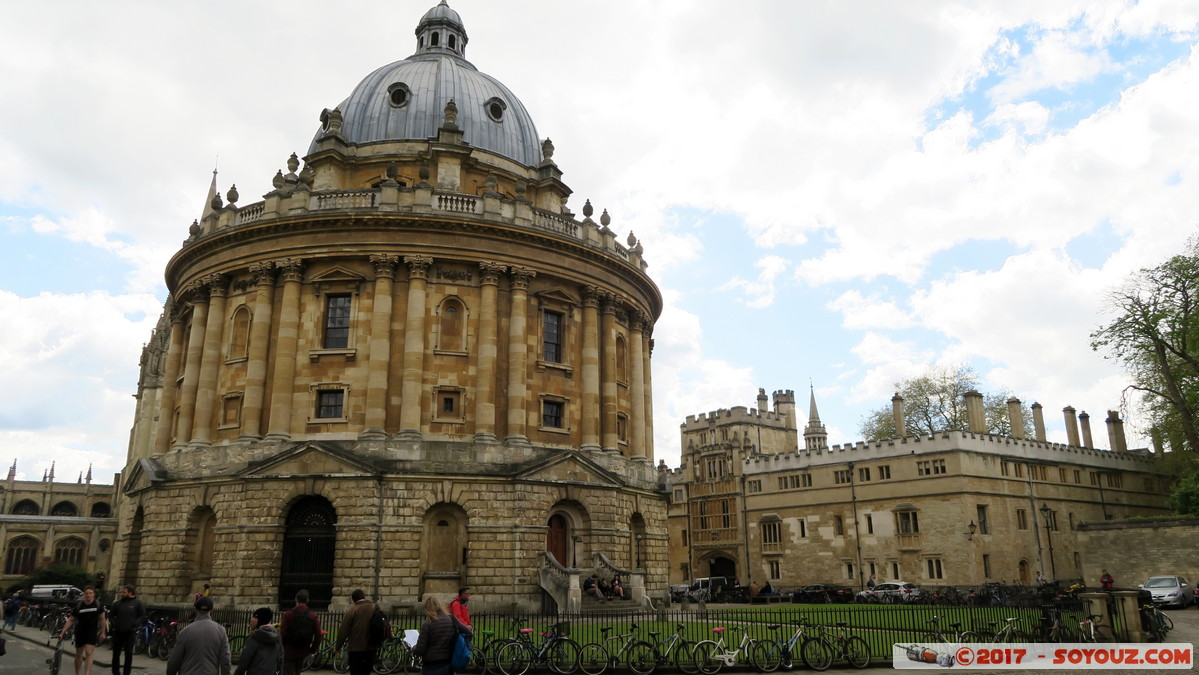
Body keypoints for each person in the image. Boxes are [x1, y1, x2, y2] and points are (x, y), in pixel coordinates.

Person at [167, 595, 231, 675]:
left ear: (195, 609)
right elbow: (225, 660)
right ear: (211, 610)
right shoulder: (221, 631)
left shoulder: (185, 632)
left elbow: (174, 660)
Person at [413, 596, 472, 675]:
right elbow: (468, 632)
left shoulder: (428, 624)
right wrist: (459, 644)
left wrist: (413, 648)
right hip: (448, 665)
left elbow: (420, 650)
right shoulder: (452, 619)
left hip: (431, 666)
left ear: (427, 609)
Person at [60, 586, 105, 675]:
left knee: (89, 652)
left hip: (91, 632)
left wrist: (103, 633)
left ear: (94, 594)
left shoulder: (98, 605)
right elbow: (71, 620)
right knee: (79, 653)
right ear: (84, 595)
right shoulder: (79, 605)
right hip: (80, 631)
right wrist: (63, 631)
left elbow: (102, 619)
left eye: (90, 593)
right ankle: (77, 673)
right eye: (86, 593)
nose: (88, 595)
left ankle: (86, 673)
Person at [335, 589, 378, 675]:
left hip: (356, 648)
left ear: (354, 599)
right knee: (366, 671)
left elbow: (343, 631)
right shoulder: (375, 607)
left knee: (356, 671)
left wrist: (338, 647)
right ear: (364, 597)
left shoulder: (352, 610)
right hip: (372, 647)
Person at [280, 590, 322, 675]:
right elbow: (318, 635)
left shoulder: (288, 614)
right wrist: (312, 650)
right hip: (304, 650)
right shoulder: (313, 615)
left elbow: (282, 633)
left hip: (289, 651)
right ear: (307, 600)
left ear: (296, 599)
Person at [108, 585, 147, 675]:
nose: (122, 594)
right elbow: (111, 615)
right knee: (116, 654)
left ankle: (126, 673)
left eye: (124, 592)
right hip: (118, 632)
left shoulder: (137, 603)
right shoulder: (117, 604)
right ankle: (116, 672)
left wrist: (135, 623)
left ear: (130, 593)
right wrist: (115, 624)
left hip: (130, 632)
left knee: (128, 653)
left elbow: (142, 615)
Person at [234, 607, 282, 675]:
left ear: (258, 620)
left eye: (254, 617)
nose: (251, 620)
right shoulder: (277, 638)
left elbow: (245, 660)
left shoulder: (254, 638)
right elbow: (280, 659)